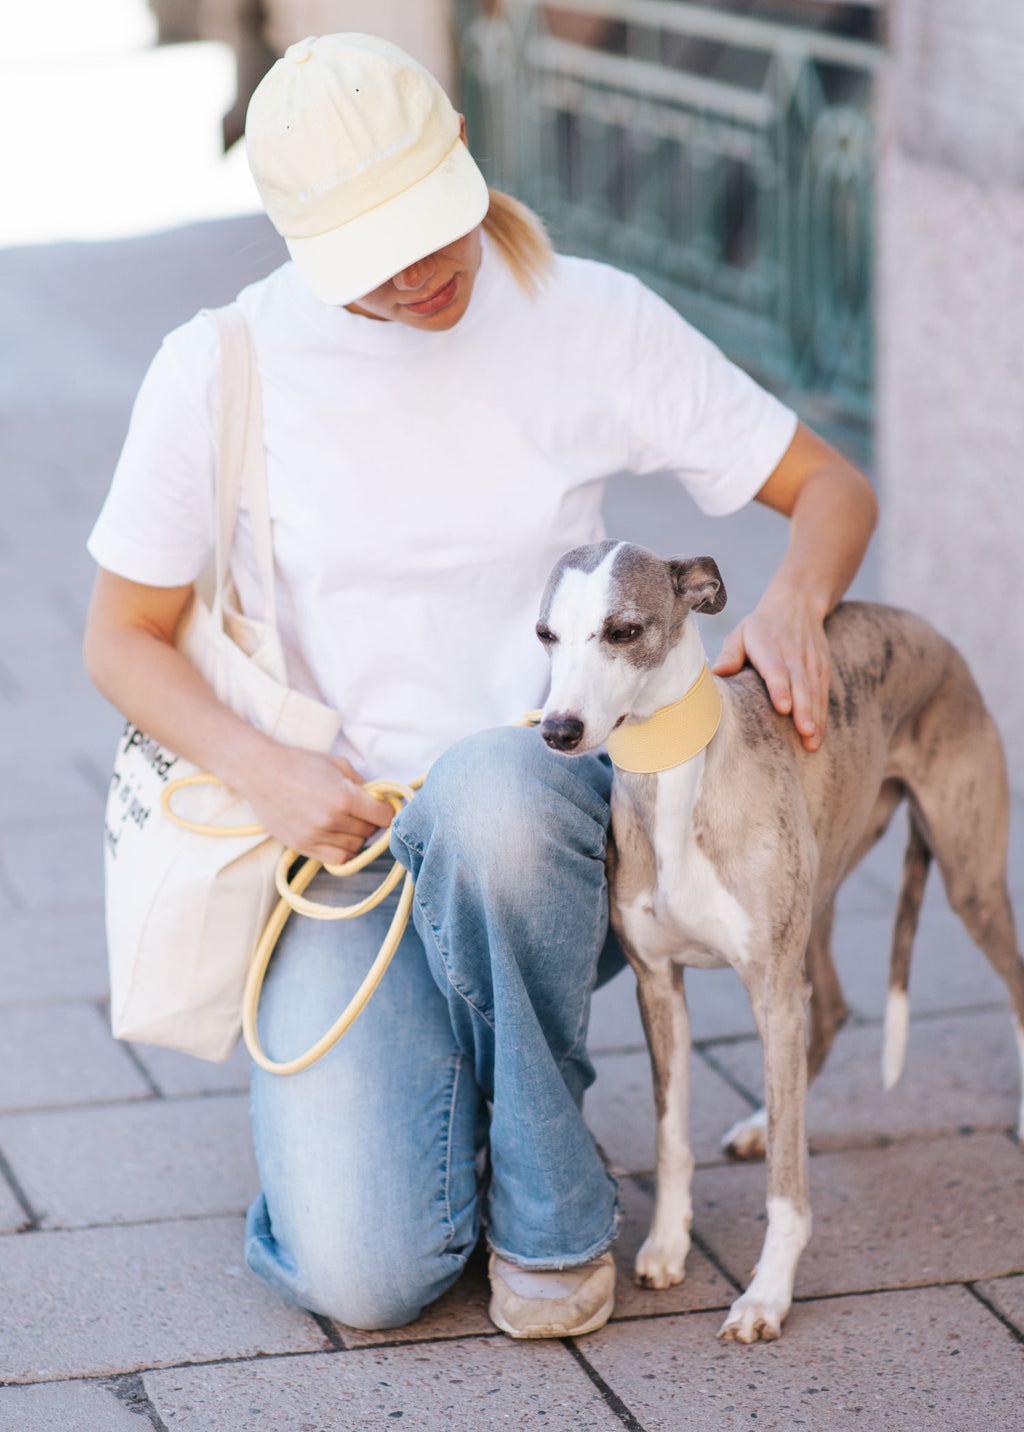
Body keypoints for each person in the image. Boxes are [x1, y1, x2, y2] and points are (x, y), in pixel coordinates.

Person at [83, 32, 877, 1338]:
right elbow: (123, 636)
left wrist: (796, 599)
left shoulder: (587, 314)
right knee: (365, 1273)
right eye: (369, 262)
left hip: (553, 817)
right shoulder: (220, 365)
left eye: (430, 231)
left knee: (493, 791)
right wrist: (269, 769)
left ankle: (556, 1212)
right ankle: (448, 1069)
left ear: (463, 147)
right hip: (347, 844)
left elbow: (832, 489)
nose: (417, 277)